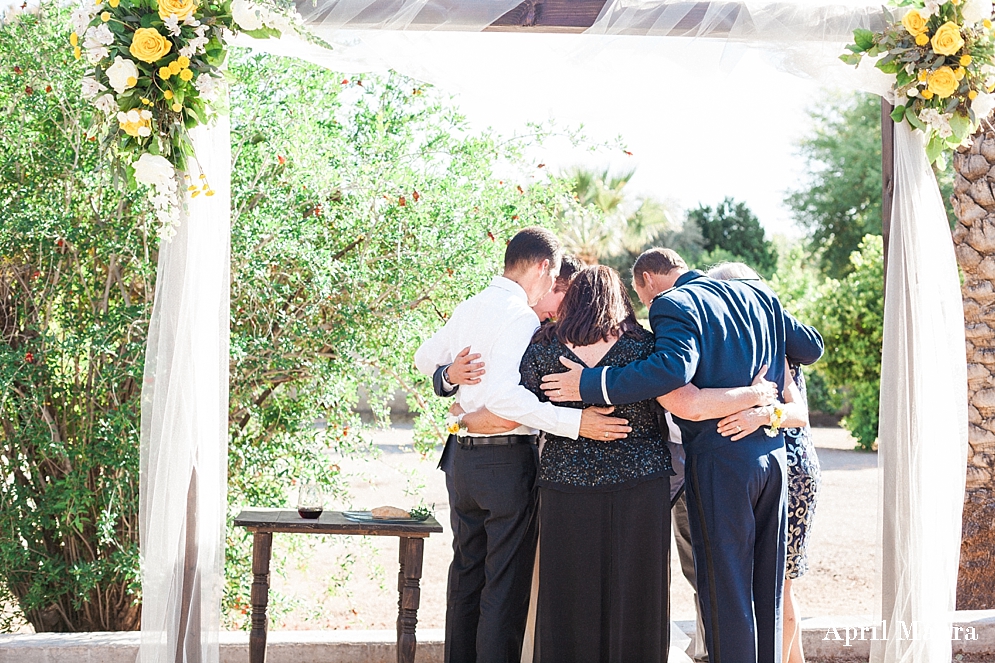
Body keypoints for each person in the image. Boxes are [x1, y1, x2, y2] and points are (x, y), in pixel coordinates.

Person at [455, 266, 779, 663]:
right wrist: (754, 396)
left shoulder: (542, 349)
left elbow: (513, 414)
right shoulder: (644, 347)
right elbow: (680, 403)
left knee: (569, 595)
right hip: (640, 485)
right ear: (621, 299)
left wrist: (465, 415)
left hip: (565, 484)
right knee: (637, 594)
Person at [541, 248, 824, 663]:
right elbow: (811, 347)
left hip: (721, 463)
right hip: (772, 460)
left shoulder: (672, 304)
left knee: (726, 592)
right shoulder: (758, 297)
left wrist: (590, 384)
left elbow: (672, 372)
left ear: (649, 283)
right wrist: (759, 395)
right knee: (768, 590)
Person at [413, 228, 631, 663]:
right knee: (504, 584)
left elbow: (423, 358)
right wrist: (575, 423)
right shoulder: (519, 316)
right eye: (552, 282)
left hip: (463, 463)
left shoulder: (471, 305)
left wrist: (448, 376)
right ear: (542, 267)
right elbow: (505, 398)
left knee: (466, 574)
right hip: (505, 462)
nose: (552, 292)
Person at [707, 262, 821, 663]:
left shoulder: (776, 341)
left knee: (780, 587)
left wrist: (759, 413)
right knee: (772, 586)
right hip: (770, 469)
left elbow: (799, 412)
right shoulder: (755, 338)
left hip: (790, 469)